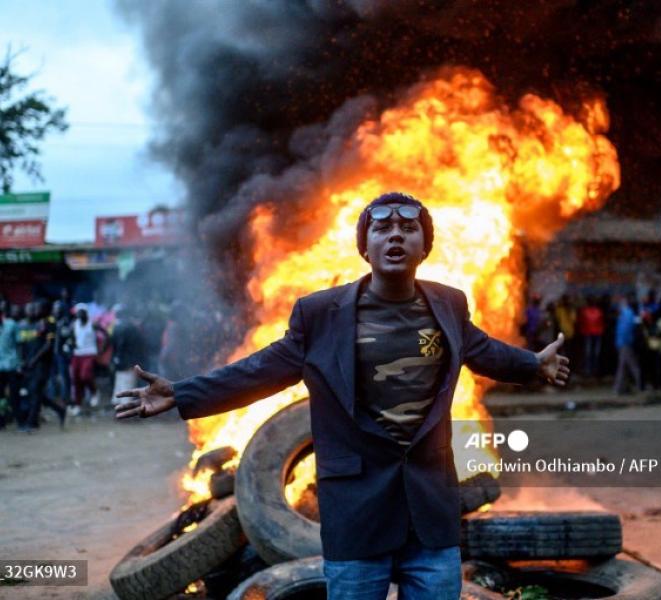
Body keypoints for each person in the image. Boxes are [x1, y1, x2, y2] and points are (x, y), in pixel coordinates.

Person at [115, 192, 570, 600]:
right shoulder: (320, 314)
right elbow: (259, 371)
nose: (396, 235)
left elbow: (482, 350)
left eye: (408, 229)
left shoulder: (448, 304)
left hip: (429, 519)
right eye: (383, 227)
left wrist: (534, 364)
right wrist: (182, 393)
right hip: (357, 515)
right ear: (364, 245)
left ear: (425, 247)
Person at [18, 301, 66, 431]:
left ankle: (31, 422)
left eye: (37, 308)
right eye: (33, 309)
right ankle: (59, 410)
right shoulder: (34, 323)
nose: (34, 311)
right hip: (33, 363)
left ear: (44, 310)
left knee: (35, 391)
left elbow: (48, 345)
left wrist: (34, 360)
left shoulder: (48, 322)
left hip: (43, 363)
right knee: (36, 393)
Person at [70, 303, 106, 415]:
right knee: (76, 379)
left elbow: (105, 334)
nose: (78, 315)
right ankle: (78, 404)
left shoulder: (93, 324)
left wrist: (102, 349)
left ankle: (94, 392)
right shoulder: (74, 325)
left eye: (81, 313)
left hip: (89, 353)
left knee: (85, 375)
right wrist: (72, 344)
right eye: (77, 313)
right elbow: (72, 337)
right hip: (77, 354)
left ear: (86, 314)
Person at [110, 304, 148, 404]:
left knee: (121, 384)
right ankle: (125, 409)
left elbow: (115, 345)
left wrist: (115, 358)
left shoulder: (117, 327)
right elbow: (138, 346)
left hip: (121, 361)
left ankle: (119, 407)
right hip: (129, 362)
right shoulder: (131, 327)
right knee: (127, 385)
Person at [0, 302, 23, 429]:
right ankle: (1, 422)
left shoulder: (12, 325)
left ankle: (19, 422)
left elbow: (19, 345)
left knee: (14, 395)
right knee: (0, 397)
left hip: (12, 365)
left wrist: (20, 363)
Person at [613, 294, 641, 394]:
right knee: (624, 367)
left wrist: (623, 343)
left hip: (624, 344)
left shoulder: (627, 314)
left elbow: (625, 331)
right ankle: (621, 388)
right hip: (623, 344)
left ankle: (638, 385)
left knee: (628, 366)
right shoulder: (626, 314)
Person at [578, 296, 604, 378]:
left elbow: (601, 322)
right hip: (591, 334)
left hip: (592, 334)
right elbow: (582, 322)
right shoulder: (595, 311)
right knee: (592, 353)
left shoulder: (589, 311)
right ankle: (591, 371)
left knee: (592, 353)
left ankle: (592, 371)